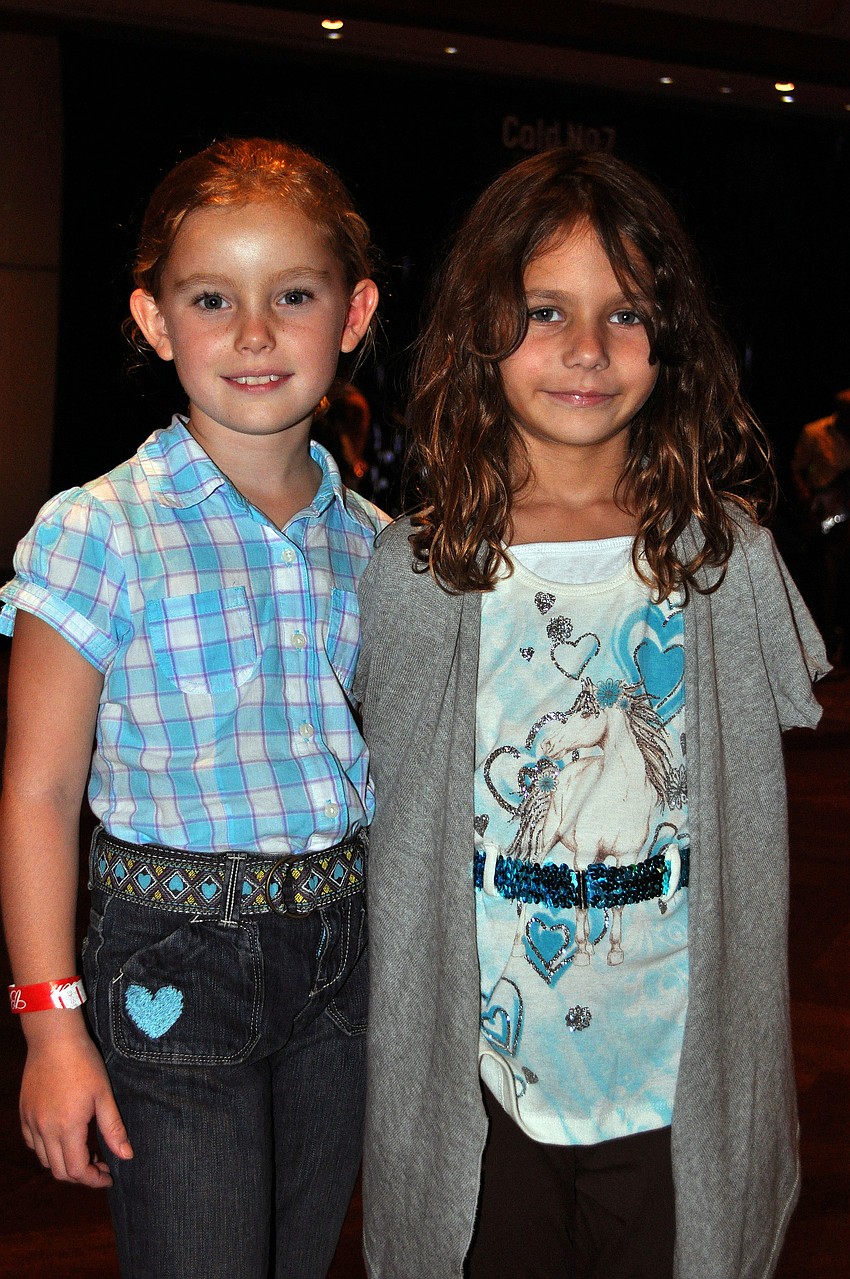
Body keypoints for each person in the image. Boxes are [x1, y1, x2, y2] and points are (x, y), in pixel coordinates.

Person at [353, 148, 828, 1279]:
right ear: (480, 330)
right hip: (483, 1090)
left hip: (676, 1084)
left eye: (622, 314)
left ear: (669, 338)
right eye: (544, 312)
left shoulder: (727, 561)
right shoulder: (416, 569)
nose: (583, 350)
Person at [0, 137, 382, 1279]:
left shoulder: (379, 547)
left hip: (344, 960)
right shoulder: (99, 528)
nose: (255, 334)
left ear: (353, 314)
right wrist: (50, 1024)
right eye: (212, 298)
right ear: (156, 321)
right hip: (169, 963)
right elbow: (38, 789)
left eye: (294, 296)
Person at [791, 388, 850, 663]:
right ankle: (824, 640)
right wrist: (808, 501)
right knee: (826, 575)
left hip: (847, 510)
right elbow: (798, 468)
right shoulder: (815, 432)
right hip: (825, 513)